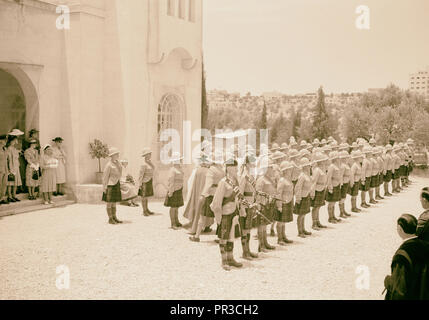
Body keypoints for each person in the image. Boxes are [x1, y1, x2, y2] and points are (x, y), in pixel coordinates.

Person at [384, 213, 429, 300]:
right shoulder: (425, 245)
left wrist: (389, 282)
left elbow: (399, 291)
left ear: (400, 229)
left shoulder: (402, 256)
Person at [211, 156, 243, 271]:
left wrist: (241, 209)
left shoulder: (236, 181)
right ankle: (224, 260)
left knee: (231, 236)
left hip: (234, 211)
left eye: (236, 167)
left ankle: (231, 258)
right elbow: (217, 201)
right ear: (228, 168)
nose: (236, 169)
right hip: (224, 212)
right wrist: (218, 217)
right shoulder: (223, 182)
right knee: (223, 237)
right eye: (234, 167)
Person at [189, 150, 224, 242]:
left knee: (202, 215)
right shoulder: (222, 170)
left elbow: (208, 184)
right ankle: (219, 237)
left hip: (210, 195)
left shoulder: (211, 170)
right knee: (218, 216)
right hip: (219, 194)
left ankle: (197, 236)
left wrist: (203, 195)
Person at [237, 152, 259, 259]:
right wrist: (242, 208)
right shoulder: (244, 176)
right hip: (245, 205)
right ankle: (244, 253)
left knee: (249, 229)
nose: (254, 163)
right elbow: (240, 194)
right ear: (247, 163)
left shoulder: (250, 175)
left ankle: (248, 250)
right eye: (252, 161)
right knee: (244, 230)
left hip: (251, 204)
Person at [183, 152, 211, 233]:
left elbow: (191, 183)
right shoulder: (208, 170)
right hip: (205, 193)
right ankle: (206, 226)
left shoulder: (198, 170)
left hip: (197, 192)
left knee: (197, 208)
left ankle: (195, 227)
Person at [255, 156, 277, 251]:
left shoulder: (269, 179)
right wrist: (260, 206)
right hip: (262, 205)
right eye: (270, 167)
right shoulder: (261, 179)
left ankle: (265, 242)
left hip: (268, 204)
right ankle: (261, 245)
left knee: (265, 226)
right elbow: (258, 193)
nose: (272, 169)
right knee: (261, 226)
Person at [102, 147, 123, 224]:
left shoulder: (117, 163)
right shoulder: (108, 165)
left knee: (114, 202)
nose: (118, 155)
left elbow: (120, 173)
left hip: (116, 183)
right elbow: (105, 177)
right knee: (109, 202)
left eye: (118, 154)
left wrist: (119, 165)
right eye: (116, 154)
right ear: (112, 155)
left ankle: (114, 217)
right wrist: (104, 187)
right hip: (110, 185)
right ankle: (110, 219)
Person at [275, 160, 294, 245]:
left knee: (284, 221)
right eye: (289, 169)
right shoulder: (282, 180)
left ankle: (283, 236)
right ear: (285, 170)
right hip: (282, 202)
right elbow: (279, 193)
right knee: (280, 221)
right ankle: (279, 239)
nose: (290, 170)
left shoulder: (288, 179)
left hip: (288, 201)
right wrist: (279, 205)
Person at [164, 152, 184, 230]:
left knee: (177, 207)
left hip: (179, 189)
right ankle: (173, 223)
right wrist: (170, 191)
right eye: (179, 160)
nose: (181, 161)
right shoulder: (172, 170)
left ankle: (177, 221)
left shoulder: (180, 168)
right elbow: (171, 181)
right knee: (173, 207)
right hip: (174, 190)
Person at [294, 157, 313, 237]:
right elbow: (298, 187)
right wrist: (298, 198)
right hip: (302, 197)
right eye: (307, 165)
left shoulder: (306, 175)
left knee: (304, 214)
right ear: (304, 167)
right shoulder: (302, 176)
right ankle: (300, 231)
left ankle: (303, 229)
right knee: (301, 215)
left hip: (306, 195)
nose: (309, 167)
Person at [310, 152, 328, 230]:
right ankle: (314, 223)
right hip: (317, 189)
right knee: (315, 207)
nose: (324, 161)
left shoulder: (322, 169)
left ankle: (317, 221)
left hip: (321, 189)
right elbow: (314, 182)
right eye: (322, 160)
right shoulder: (317, 170)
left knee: (319, 207)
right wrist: (312, 192)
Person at [138, 148, 155, 216]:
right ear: (145, 155)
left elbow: (153, 168)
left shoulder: (149, 163)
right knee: (144, 197)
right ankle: (144, 211)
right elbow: (140, 175)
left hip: (149, 180)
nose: (150, 155)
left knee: (146, 196)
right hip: (144, 182)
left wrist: (150, 162)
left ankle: (147, 209)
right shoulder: (143, 164)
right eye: (148, 154)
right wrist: (140, 184)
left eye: (150, 154)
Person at [5, 134, 22, 203]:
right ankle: (9, 196)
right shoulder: (8, 149)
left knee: (15, 182)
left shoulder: (15, 149)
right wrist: (10, 169)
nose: (15, 142)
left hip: (16, 167)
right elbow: (8, 159)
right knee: (10, 182)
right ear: (11, 141)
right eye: (14, 140)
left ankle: (14, 195)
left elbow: (16, 158)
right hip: (11, 167)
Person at [326, 151, 342, 223]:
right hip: (332, 186)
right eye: (338, 158)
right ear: (335, 159)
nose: (339, 159)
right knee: (331, 203)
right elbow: (329, 177)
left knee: (334, 202)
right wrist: (330, 187)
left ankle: (333, 216)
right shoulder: (331, 166)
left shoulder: (337, 166)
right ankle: (330, 217)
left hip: (337, 185)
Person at [338, 150, 351, 219]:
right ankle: (341, 212)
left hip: (346, 183)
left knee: (344, 198)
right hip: (343, 183)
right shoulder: (343, 166)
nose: (347, 159)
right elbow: (341, 175)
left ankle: (343, 210)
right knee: (342, 198)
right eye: (345, 158)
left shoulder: (346, 165)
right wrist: (341, 184)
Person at [0, 135, 8, 205]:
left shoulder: (5, 149)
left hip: (5, 169)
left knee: (4, 184)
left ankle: (2, 198)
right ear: (0, 141)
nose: (6, 141)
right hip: (0, 169)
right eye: (4, 140)